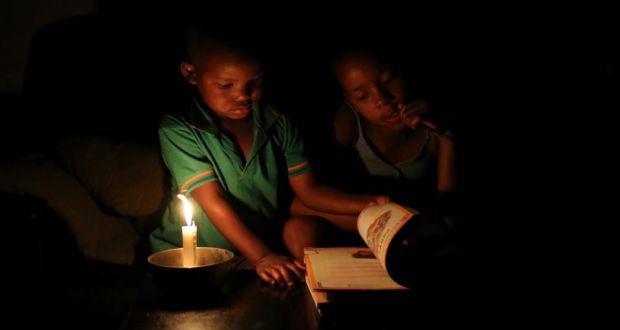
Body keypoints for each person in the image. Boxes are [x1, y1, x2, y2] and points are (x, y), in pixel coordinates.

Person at [149, 24, 387, 287]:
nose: (242, 94)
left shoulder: (278, 123)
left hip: (255, 257)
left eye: (254, 82)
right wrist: (262, 256)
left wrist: (370, 204)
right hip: (191, 261)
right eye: (226, 85)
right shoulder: (180, 130)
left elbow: (309, 192)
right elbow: (212, 200)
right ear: (191, 73)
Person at [291, 48, 457, 230]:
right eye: (363, 96)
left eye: (388, 81)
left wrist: (447, 135)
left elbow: (449, 210)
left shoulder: (434, 127)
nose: (382, 99)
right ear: (351, 101)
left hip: (420, 222)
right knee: (299, 224)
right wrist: (373, 207)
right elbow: (308, 199)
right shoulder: (348, 124)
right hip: (364, 219)